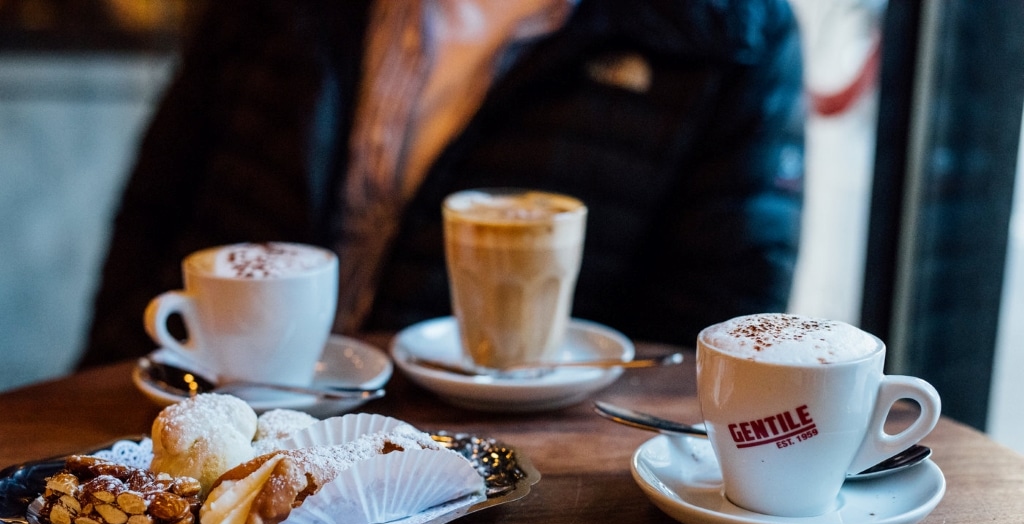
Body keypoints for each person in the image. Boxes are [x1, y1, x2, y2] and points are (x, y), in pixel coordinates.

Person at [79, 0, 804, 367]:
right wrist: (110, 395)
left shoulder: (725, 29)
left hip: (501, 493)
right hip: (223, 428)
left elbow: (706, 341)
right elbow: (152, 218)